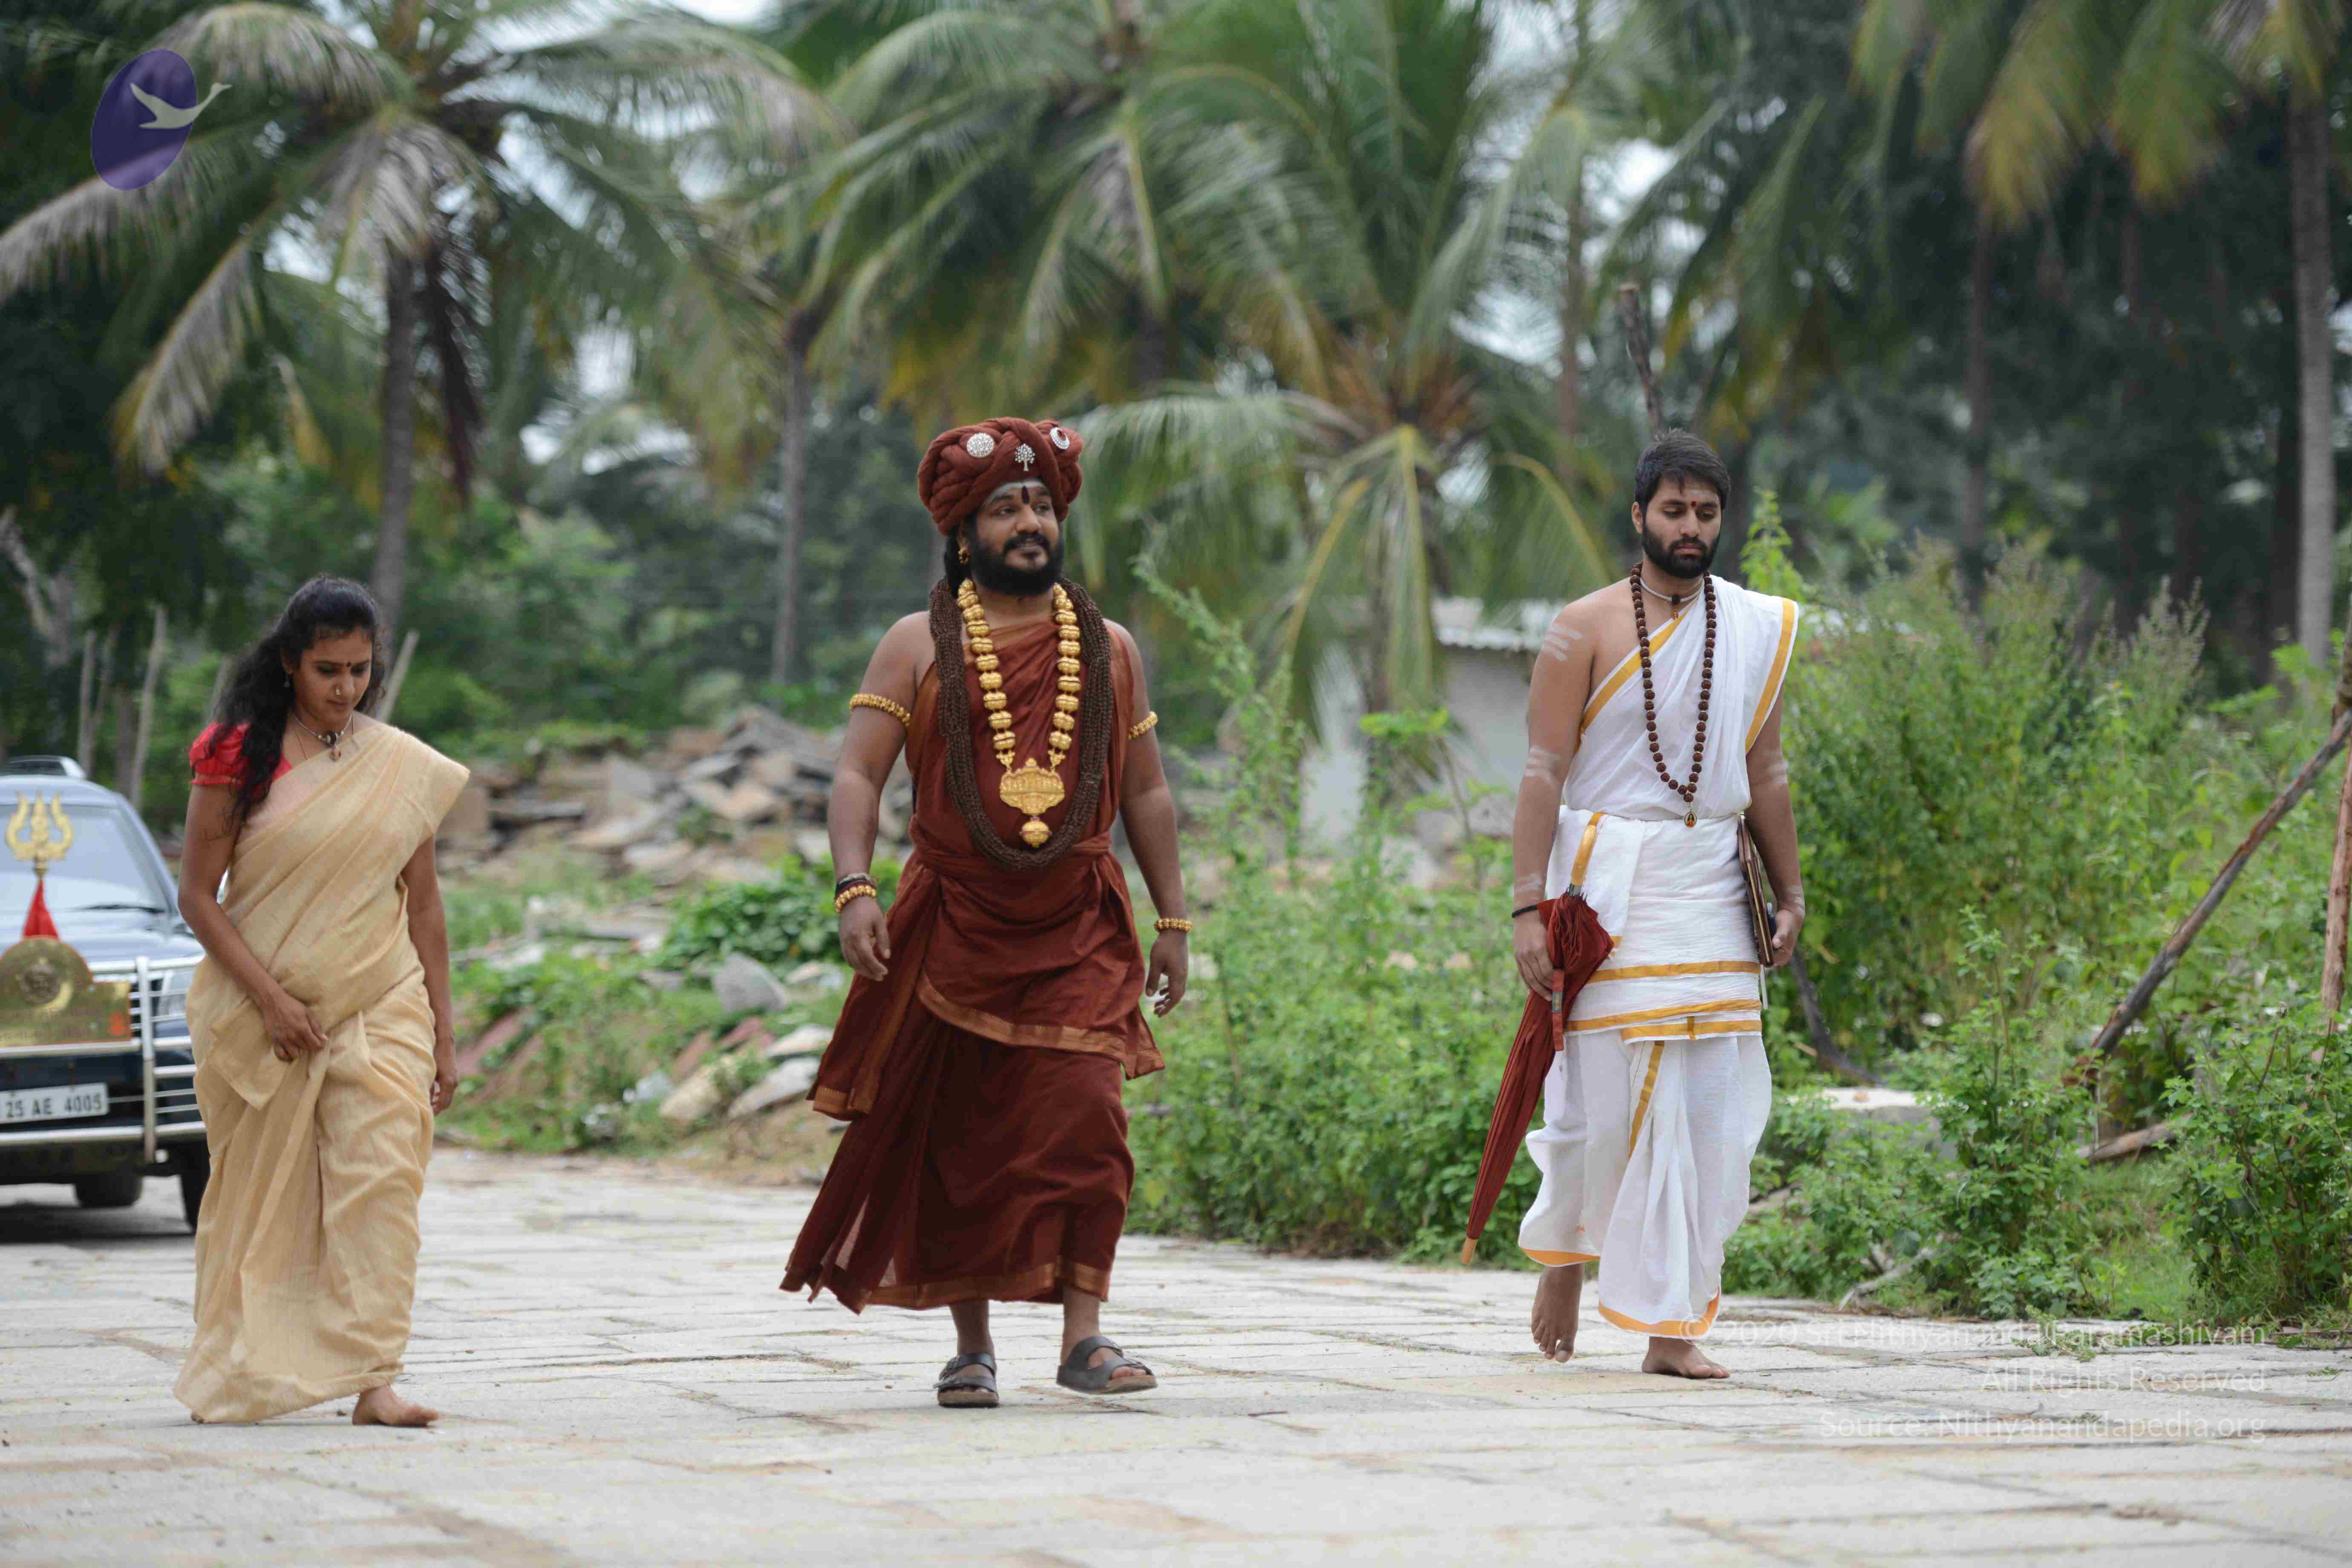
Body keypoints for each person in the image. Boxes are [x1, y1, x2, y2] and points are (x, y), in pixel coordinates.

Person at [781, 416, 1191, 1408]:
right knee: (963, 1140)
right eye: (1005, 508)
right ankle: (972, 1348)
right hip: (953, 923)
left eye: (1042, 505)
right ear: (964, 534)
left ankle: (1084, 1335)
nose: (1029, 523)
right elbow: (857, 775)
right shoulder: (914, 644)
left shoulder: (1110, 647)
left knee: (1090, 1120)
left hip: (1080, 925)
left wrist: (1174, 922)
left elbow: (1146, 791)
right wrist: (854, 887)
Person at [1507, 430, 1803, 1379]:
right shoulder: (1582, 626)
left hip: (1712, 882)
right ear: (1639, 515)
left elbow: (1765, 770)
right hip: (1610, 889)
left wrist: (1791, 891)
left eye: (1706, 512)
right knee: (1605, 1103)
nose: (1691, 527)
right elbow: (1543, 770)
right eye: (1674, 510)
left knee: (1709, 1106)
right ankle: (1566, 1253)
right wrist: (1526, 906)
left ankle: (1672, 1328)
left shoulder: (1753, 627)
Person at [172, 577, 469, 1426]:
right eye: (327, 670)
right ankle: (244, 1364)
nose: (346, 690)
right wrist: (271, 1001)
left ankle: (375, 1381)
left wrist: (446, 1035)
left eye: (360, 671)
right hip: (263, 1015)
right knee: (264, 1199)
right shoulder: (237, 756)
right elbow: (197, 896)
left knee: (383, 1181)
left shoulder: (400, 767)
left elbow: (424, 906)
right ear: (288, 664)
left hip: (382, 998)